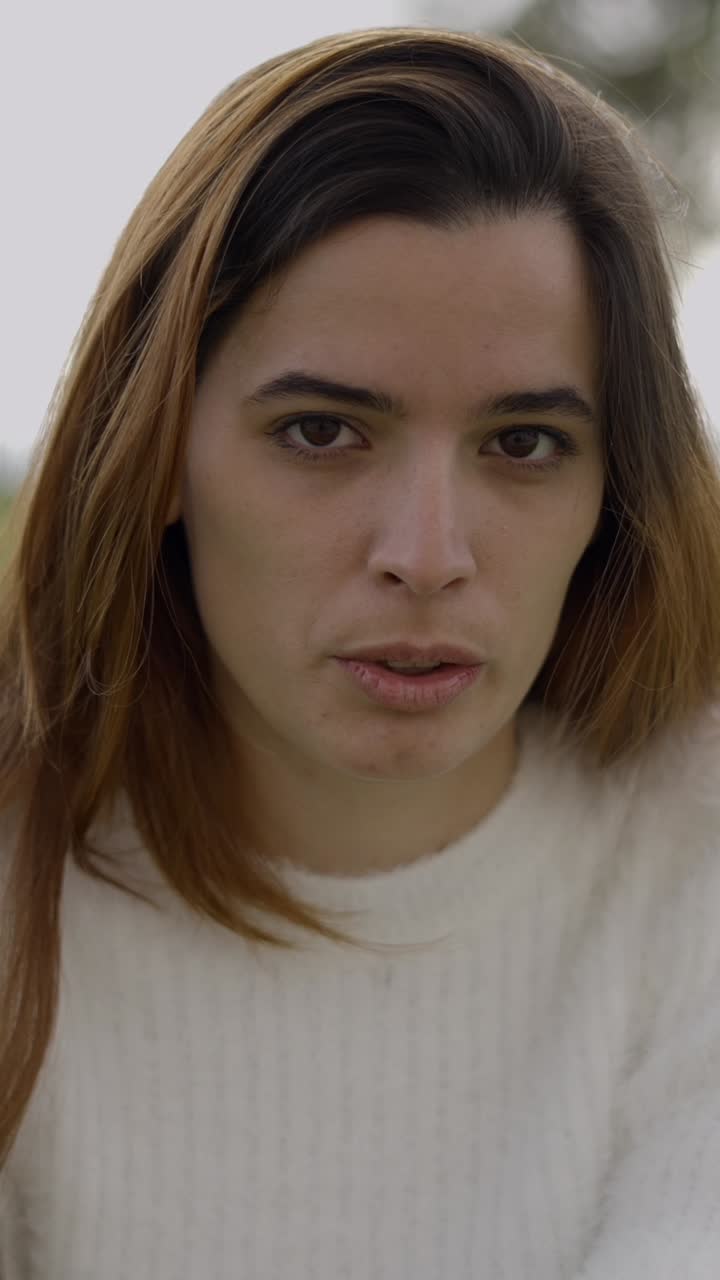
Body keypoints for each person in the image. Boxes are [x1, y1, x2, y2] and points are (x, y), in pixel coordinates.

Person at [1, 23, 720, 1279]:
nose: (429, 553)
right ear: (159, 448)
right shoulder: (21, 877)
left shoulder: (694, 844)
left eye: (523, 443)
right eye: (324, 430)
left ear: (617, 482)